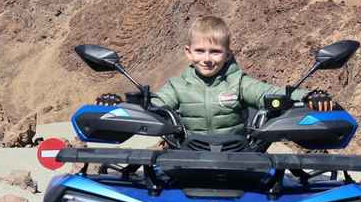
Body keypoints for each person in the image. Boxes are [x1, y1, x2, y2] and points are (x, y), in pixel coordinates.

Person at [102, 15, 333, 138]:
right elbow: (153, 106)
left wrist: (310, 96)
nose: (207, 58)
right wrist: (116, 105)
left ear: (227, 53)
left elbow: (269, 93)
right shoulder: (177, 86)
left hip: (239, 160)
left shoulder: (239, 82)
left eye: (215, 51)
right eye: (200, 51)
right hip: (185, 159)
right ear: (189, 53)